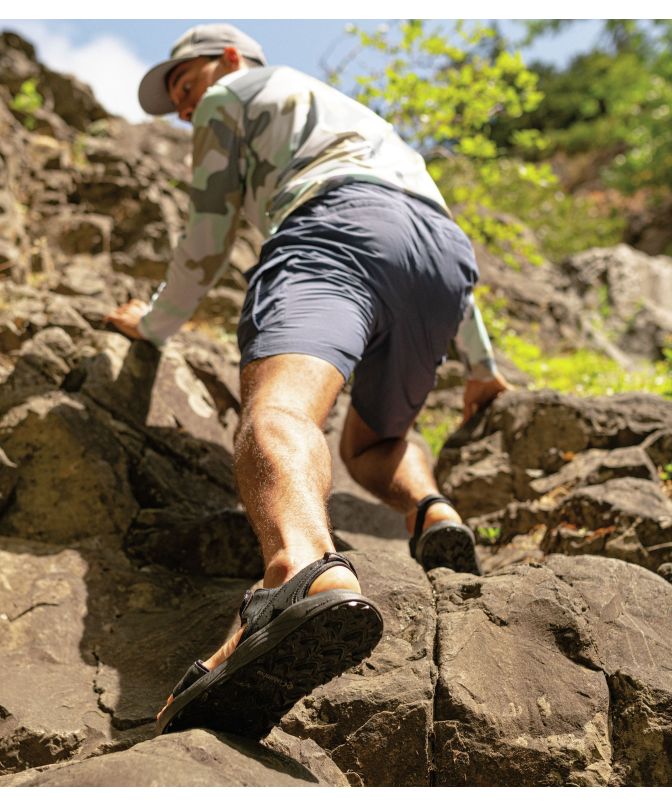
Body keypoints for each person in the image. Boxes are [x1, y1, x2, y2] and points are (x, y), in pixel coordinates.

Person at [106, 23, 510, 738]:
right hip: (442, 258)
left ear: (228, 61)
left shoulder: (234, 92)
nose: (183, 109)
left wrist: (157, 325)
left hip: (332, 225)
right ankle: (430, 512)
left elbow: (208, 233)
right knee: (375, 444)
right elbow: (451, 262)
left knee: (282, 409)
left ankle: (298, 571)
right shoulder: (366, 122)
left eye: (186, 85)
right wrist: (481, 366)